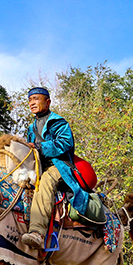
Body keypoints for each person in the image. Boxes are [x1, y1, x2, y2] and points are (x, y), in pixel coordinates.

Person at [21, 87, 90, 250]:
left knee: (44, 182)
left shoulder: (58, 122)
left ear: (48, 102)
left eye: (36, 99)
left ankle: (37, 233)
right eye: (30, 100)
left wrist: (39, 147)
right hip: (38, 167)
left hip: (59, 165)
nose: (32, 103)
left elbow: (65, 144)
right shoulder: (31, 128)